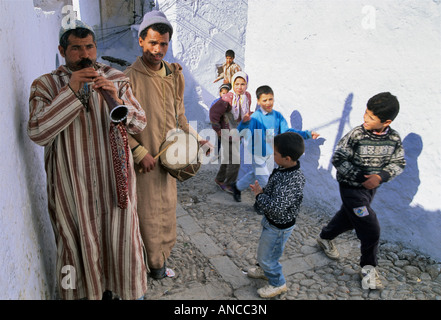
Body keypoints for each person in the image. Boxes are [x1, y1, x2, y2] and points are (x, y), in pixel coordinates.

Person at [27, 20, 148, 300]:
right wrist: (70, 92)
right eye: (76, 49)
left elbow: (140, 123)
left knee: (122, 246)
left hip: (114, 188)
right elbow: (37, 132)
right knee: (75, 249)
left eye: (90, 47)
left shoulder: (116, 78)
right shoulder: (44, 85)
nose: (85, 55)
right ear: (62, 50)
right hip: (73, 191)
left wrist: (116, 97)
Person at [124, 11, 210, 279]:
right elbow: (116, 126)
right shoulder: (128, 79)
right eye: (152, 43)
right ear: (141, 41)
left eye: (163, 44)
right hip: (145, 164)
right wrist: (139, 152)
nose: (158, 50)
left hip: (170, 161)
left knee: (166, 213)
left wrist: (196, 140)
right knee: (146, 214)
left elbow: (179, 115)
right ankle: (147, 267)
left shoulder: (175, 75)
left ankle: (160, 262)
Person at [316, 92, 406, 290]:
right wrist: (358, 177)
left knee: (348, 218)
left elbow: (399, 162)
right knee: (370, 229)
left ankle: (325, 237)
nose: (365, 118)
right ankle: (368, 270)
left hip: (369, 191)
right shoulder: (356, 134)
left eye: (372, 117)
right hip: (351, 188)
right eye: (366, 113)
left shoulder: (393, 138)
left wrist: (381, 177)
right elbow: (338, 158)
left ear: (386, 121)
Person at [231, 85, 319, 202]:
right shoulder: (255, 117)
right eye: (264, 100)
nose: (268, 103)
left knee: (255, 174)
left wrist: (307, 134)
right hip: (256, 153)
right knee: (265, 181)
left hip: (271, 153)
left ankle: (236, 187)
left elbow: (287, 132)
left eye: (270, 99)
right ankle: (262, 204)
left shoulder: (278, 116)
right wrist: (244, 123)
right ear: (258, 101)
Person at [247, 132, 306, 298]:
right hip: (272, 222)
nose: (273, 155)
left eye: (275, 153)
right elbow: (274, 192)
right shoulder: (283, 169)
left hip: (279, 226)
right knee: (265, 251)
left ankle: (277, 283)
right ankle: (263, 269)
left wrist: (260, 195)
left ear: (287, 158)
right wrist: (264, 192)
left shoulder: (292, 179)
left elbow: (277, 208)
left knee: (269, 256)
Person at [210, 71, 251, 193]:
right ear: (233, 83)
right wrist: (217, 130)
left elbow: (246, 111)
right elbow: (214, 113)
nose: (239, 87)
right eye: (237, 84)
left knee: (229, 157)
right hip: (226, 132)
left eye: (243, 84)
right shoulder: (228, 98)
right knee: (235, 160)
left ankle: (220, 179)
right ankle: (229, 184)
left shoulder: (247, 96)